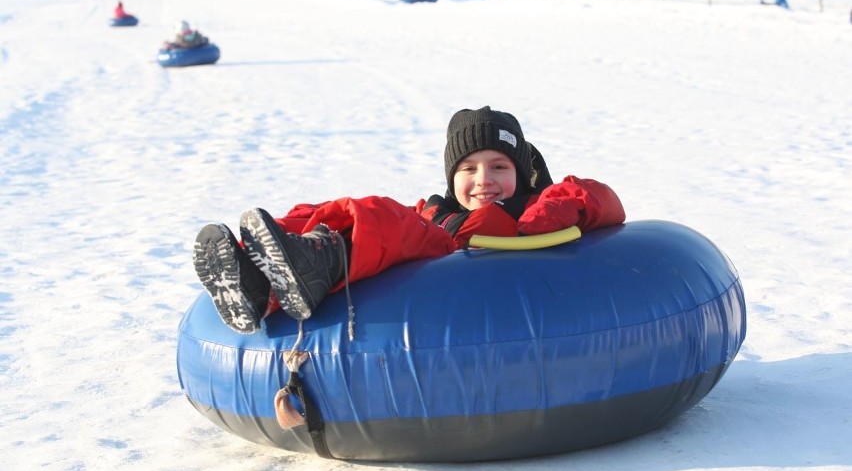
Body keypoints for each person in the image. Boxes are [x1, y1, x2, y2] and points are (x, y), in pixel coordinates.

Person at [193, 106, 626, 335]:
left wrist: (552, 213)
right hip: (437, 248)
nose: (484, 181)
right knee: (339, 209)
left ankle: (317, 263)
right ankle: (259, 271)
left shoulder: (532, 207)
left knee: (385, 217)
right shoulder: (436, 211)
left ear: (521, 169)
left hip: (465, 271)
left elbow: (599, 198)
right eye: (468, 170)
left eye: (499, 167)